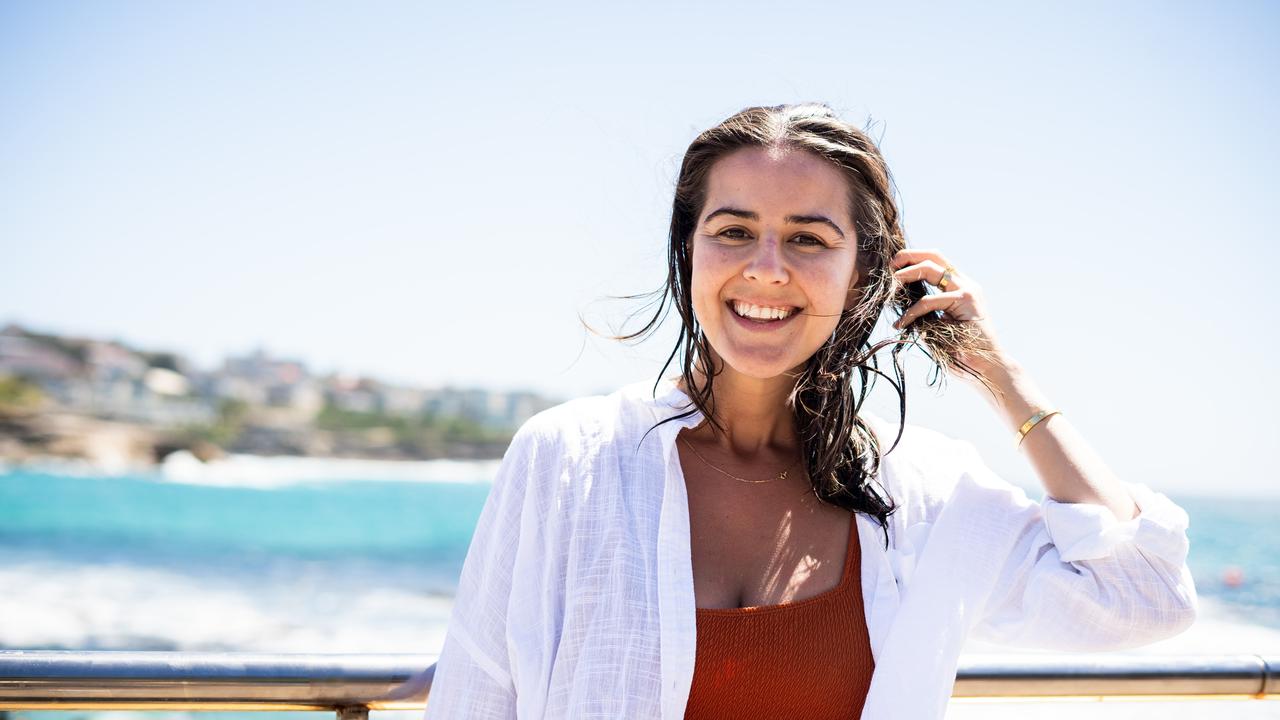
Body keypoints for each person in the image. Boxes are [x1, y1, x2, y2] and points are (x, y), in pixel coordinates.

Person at [421, 103, 1197, 719]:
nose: (766, 269)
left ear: (865, 269)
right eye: (734, 231)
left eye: (808, 238)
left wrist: (998, 371)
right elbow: (476, 697)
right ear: (688, 250)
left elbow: (1142, 597)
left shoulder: (925, 496)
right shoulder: (569, 458)